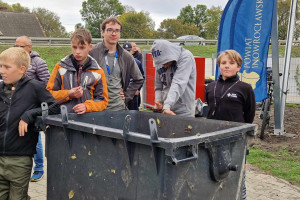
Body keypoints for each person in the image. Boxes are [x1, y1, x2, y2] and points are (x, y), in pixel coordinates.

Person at [0, 47, 60, 199]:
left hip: (20, 159)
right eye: (0, 66)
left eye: (7, 67)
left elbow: (55, 107)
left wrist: (30, 114)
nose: (2, 71)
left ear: (22, 69)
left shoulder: (35, 87)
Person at [205, 50, 256, 200]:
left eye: (231, 63)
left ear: (238, 67)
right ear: (219, 65)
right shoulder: (211, 87)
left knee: (237, 172)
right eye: (223, 63)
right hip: (212, 135)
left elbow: (249, 114)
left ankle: (241, 196)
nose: (227, 66)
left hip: (235, 138)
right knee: (213, 171)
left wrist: (242, 133)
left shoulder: (245, 88)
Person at [47, 29, 108, 114]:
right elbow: (48, 95)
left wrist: (87, 106)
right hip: (63, 118)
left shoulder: (98, 71)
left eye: (82, 47)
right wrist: (68, 94)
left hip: (88, 119)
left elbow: (103, 101)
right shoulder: (60, 67)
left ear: (90, 47)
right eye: (74, 47)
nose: (77, 52)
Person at [15, 35, 51, 182]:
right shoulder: (13, 61)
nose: (17, 49)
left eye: (20, 46)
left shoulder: (38, 62)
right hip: (17, 105)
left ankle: (39, 168)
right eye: (15, 46)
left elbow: (46, 84)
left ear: (29, 47)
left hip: (33, 107)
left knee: (35, 139)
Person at [89, 17, 143, 111]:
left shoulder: (126, 56)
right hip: (96, 109)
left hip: (119, 109)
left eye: (117, 30)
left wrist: (127, 95)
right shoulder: (92, 53)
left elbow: (138, 79)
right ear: (102, 32)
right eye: (109, 30)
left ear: (120, 34)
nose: (113, 33)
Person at [151, 39, 196, 117]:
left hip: (183, 111)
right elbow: (158, 86)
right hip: (166, 109)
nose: (164, 66)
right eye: (161, 63)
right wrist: (158, 101)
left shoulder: (186, 57)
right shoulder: (160, 61)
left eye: (165, 62)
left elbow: (178, 83)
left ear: (170, 55)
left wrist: (167, 105)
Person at [123, 42, 145, 110]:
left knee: (133, 111)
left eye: (129, 51)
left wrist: (138, 89)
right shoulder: (119, 62)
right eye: (125, 51)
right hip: (123, 92)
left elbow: (142, 77)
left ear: (131, 51)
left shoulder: (137, 62)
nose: (127, 53)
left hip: (133, 92)